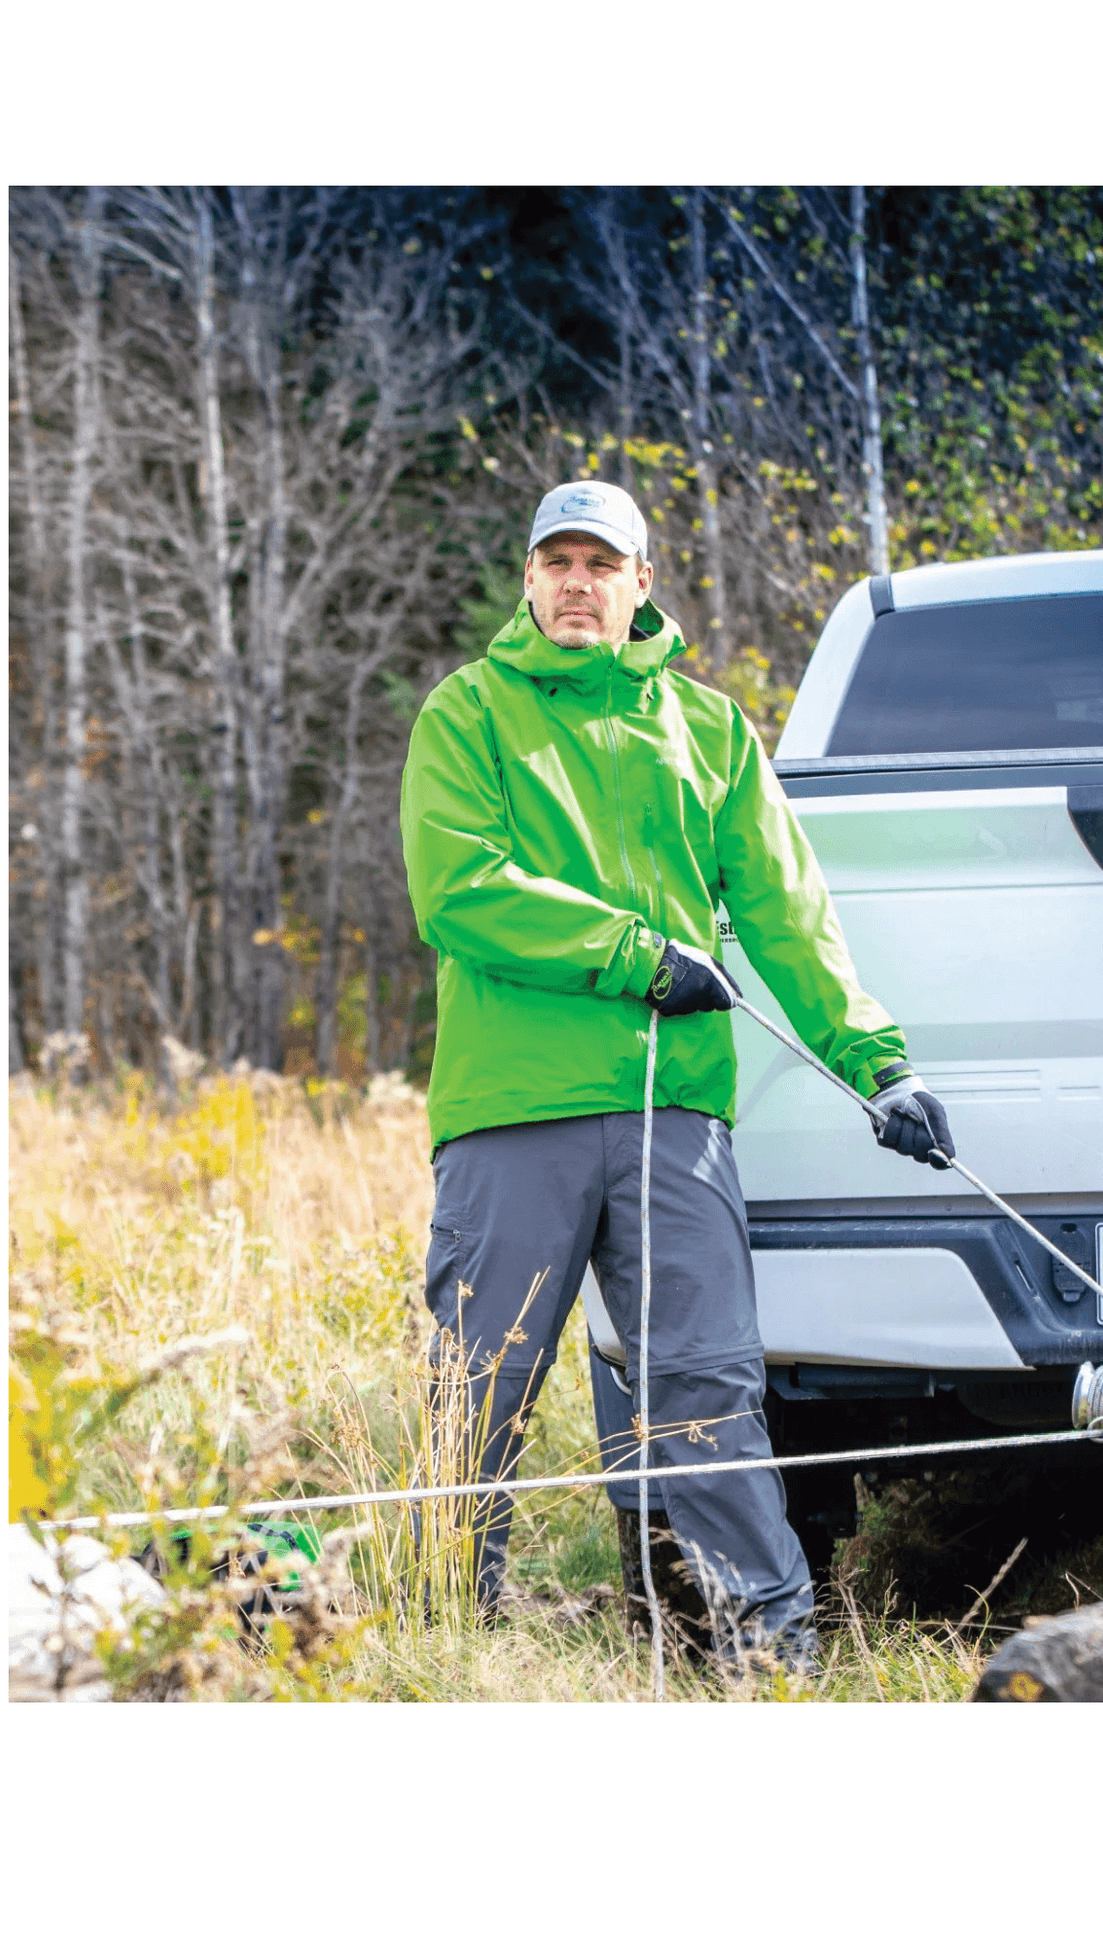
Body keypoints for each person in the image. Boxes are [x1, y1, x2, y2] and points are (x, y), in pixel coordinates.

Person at [399, 479, 954, 1667]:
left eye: (600, 564)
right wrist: (634, 954)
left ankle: (767, 1658)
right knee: (480, 1383)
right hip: (514, 1108)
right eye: (556, 562)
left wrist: (877, 1066)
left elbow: (786, 912)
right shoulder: (468, 711)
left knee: (707, 1387)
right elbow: (459, 889)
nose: (576, 584)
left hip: (674, 1115)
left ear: (642, 582)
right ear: (528, 578)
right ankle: (432, 1638)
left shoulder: (709, 729)